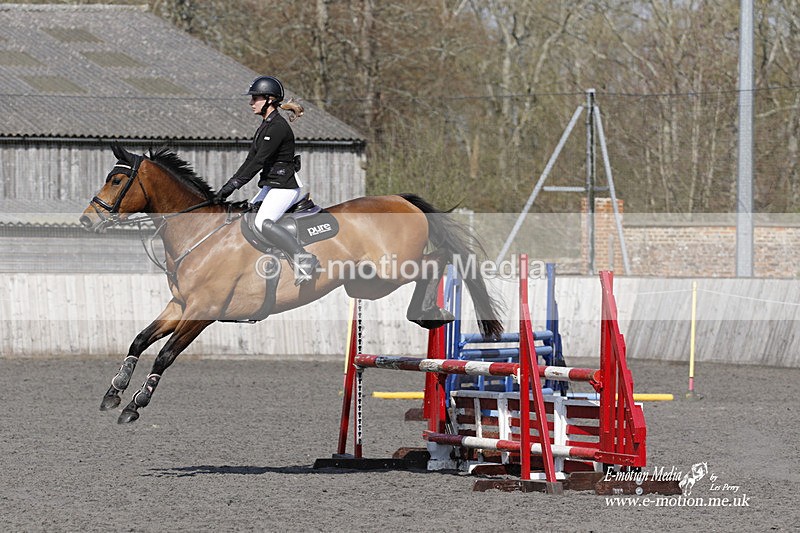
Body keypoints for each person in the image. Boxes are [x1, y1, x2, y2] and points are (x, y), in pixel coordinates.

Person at [215, 75, 319, 285]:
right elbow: (250, 159)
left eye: (256, 98)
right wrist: (229, 185)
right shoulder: (265, 126)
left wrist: (232, 186)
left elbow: (258, 162)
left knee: (263, 222)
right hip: (273, 186)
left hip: (285, 188)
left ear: (270, 100)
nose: (251, 102)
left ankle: (304, 259)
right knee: (247, 216)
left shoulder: (277, 127)